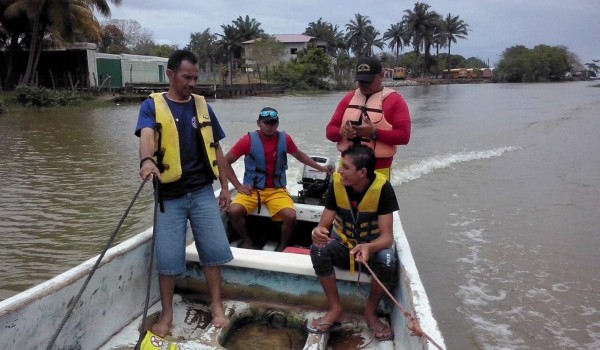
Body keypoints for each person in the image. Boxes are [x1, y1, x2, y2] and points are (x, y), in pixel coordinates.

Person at [135, 49, 234, 337]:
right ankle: (167, 314)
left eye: (195, 77)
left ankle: (216, 304)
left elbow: (217, 147)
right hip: (170, 196)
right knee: (167, 258)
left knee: (214, 252)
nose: (192, 83)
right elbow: (147, 136)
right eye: (186, 77)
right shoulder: (152, 105)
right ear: (170, 74)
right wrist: (146, 161)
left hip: (203, 191)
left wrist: (225, 187)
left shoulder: (202, 106)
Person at [308, 144, 399, 342]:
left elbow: (387, 238)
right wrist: (318, 233)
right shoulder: (337, 184)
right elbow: (323, 225)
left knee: (389, 259)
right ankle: (336, 308)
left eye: (345, 167)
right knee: (317, 249)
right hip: (343, 247)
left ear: (362, 172)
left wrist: (368, 247)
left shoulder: (383, 188)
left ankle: (370, 312)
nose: (339, 170)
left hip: (370, 252)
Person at [225, 107, 332, 252]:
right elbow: (225, 162)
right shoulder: (247, 141)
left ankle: (282, 245)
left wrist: (320, 168)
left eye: (273, 123)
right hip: (252, 189)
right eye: (266, 122)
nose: (269, 126)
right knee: (234, 211)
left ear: (277, 124)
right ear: (259, 123)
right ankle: (246, 238)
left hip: (276, 190)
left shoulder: (285, 139)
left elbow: (299, 155)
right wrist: (238, 186)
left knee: (290, 215)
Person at [326, 56, 411, 180]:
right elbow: (329, 131)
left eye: (369, 81)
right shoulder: (348, 99)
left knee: (375, 199)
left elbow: (404, 136)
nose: (364, 86)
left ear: (381, 75)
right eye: (361, 81)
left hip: (379, 170)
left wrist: (374, 133)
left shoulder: (396, 101)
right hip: (346, 169)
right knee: (340, 199)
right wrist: (341, 132)